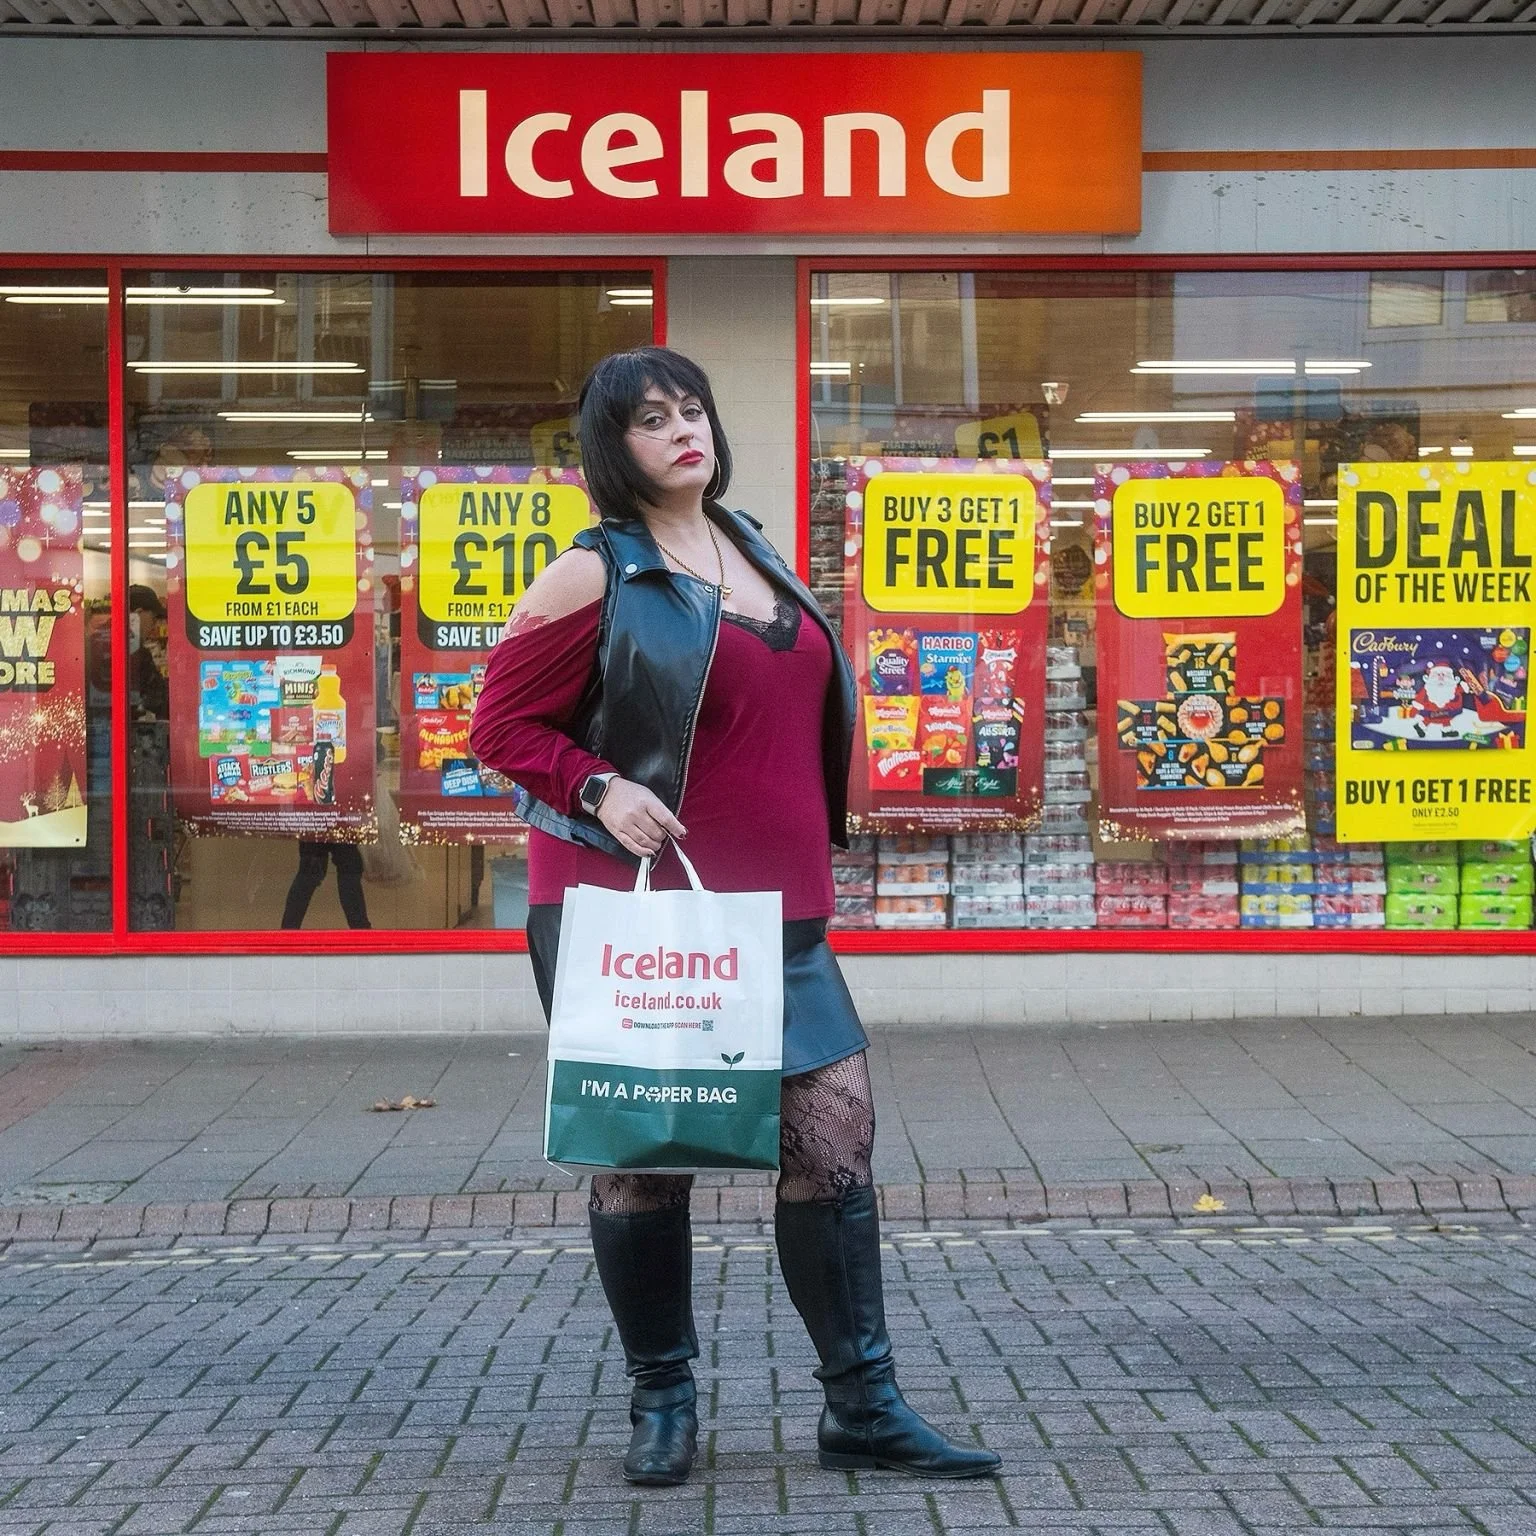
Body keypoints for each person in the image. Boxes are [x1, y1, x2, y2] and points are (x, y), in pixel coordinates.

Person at [469, 347, 1000, 1486]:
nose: (683, 431)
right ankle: (662, 1401)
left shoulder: (752, 546)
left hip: (777, 912)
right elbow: (499, 728)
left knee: (834, 1138)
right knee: (645, 1157)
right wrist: (599, 789)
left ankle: (862, 1406)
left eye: (693, 409)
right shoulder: (592, 573)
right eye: (652, 419)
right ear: (612, 448)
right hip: (637, 913)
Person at [280, 839, 371, 929]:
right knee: (348, 873)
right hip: (339, 832)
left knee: (310, 871)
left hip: (316, 832)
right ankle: (361, 929)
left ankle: (289, 929)